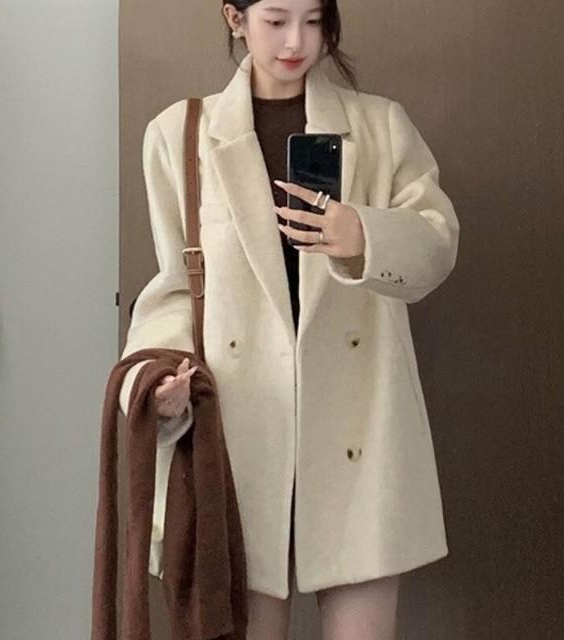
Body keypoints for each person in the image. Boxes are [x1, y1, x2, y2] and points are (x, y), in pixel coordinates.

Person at [119, 1, 460, 638]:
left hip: (360, 428)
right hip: (244, 428)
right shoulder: (179, 133)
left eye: (313, 19)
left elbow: (438, 245)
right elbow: (174, 284)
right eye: (275, 20)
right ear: (235, 18)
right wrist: (158, 384)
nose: (296, 42)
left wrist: (363, 234)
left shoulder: (380, 125)